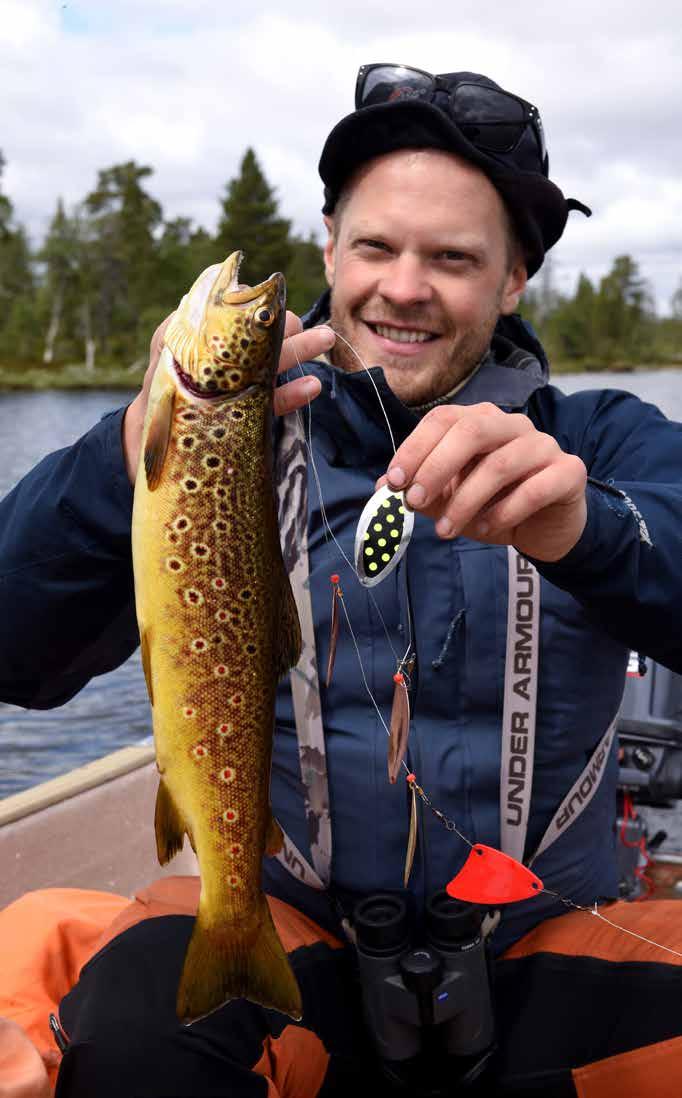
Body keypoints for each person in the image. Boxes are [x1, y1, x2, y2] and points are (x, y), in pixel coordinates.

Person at [3, 64, 682, 1097]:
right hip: (288, 923)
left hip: (554, 935)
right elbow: (16, 653)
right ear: (330, 248)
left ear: (512, 281)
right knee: (131, 1033)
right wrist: (124, 459)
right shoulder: (225, 448)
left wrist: (592, 527)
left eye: (451, 258)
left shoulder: (599, 444)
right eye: (374, 246)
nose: (402, 286)